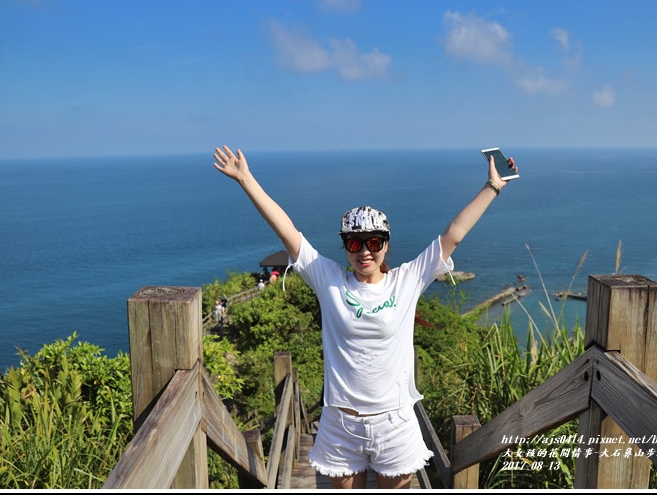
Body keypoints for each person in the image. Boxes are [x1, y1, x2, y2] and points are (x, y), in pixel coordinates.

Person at [213, 145, 517, 489]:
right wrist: (246, 179)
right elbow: (287, 232)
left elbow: (453, 235)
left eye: (373, 242)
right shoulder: (328, 280)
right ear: (345, 247)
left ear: (386, 244)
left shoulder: (407, 280)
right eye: (354, 244)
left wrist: (492, 187)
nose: (365, 251)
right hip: (341, 423)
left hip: (395, 421)